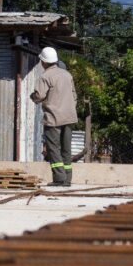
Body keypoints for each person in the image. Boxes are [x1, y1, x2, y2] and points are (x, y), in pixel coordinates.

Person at [31, 46, 77, 186]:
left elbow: (39, 96)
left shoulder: (45, 77)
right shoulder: (67, 75)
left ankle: (59, 178)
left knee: (53, 149)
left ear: (43, 62)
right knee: (66, 149)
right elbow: (74, 96)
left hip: (54, 118)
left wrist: (33, 96)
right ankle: (67, 178)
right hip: (69, 117)